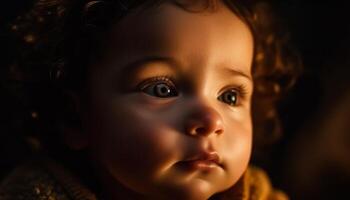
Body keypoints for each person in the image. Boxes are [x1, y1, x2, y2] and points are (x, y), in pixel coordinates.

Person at [0, 0, 300, 199]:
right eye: (162, 90)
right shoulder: (34, 192)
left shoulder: (256, 193)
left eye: (230, 96)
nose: (212, 121)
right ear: (75, 118)